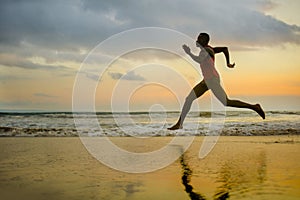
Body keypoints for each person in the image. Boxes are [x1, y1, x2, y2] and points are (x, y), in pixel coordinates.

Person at [168, 33, 265, 130]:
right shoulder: (210, 49)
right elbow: (225, 49)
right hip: (207, 80)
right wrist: (228, 63)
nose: (197, 40)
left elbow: (199, 60)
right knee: (189, 99)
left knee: (226, 102)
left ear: (204, 41)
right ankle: (179, 124)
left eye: (199, 39)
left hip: (212, 80)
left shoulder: (206, 50)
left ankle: (255, 107)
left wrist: (189, 53)